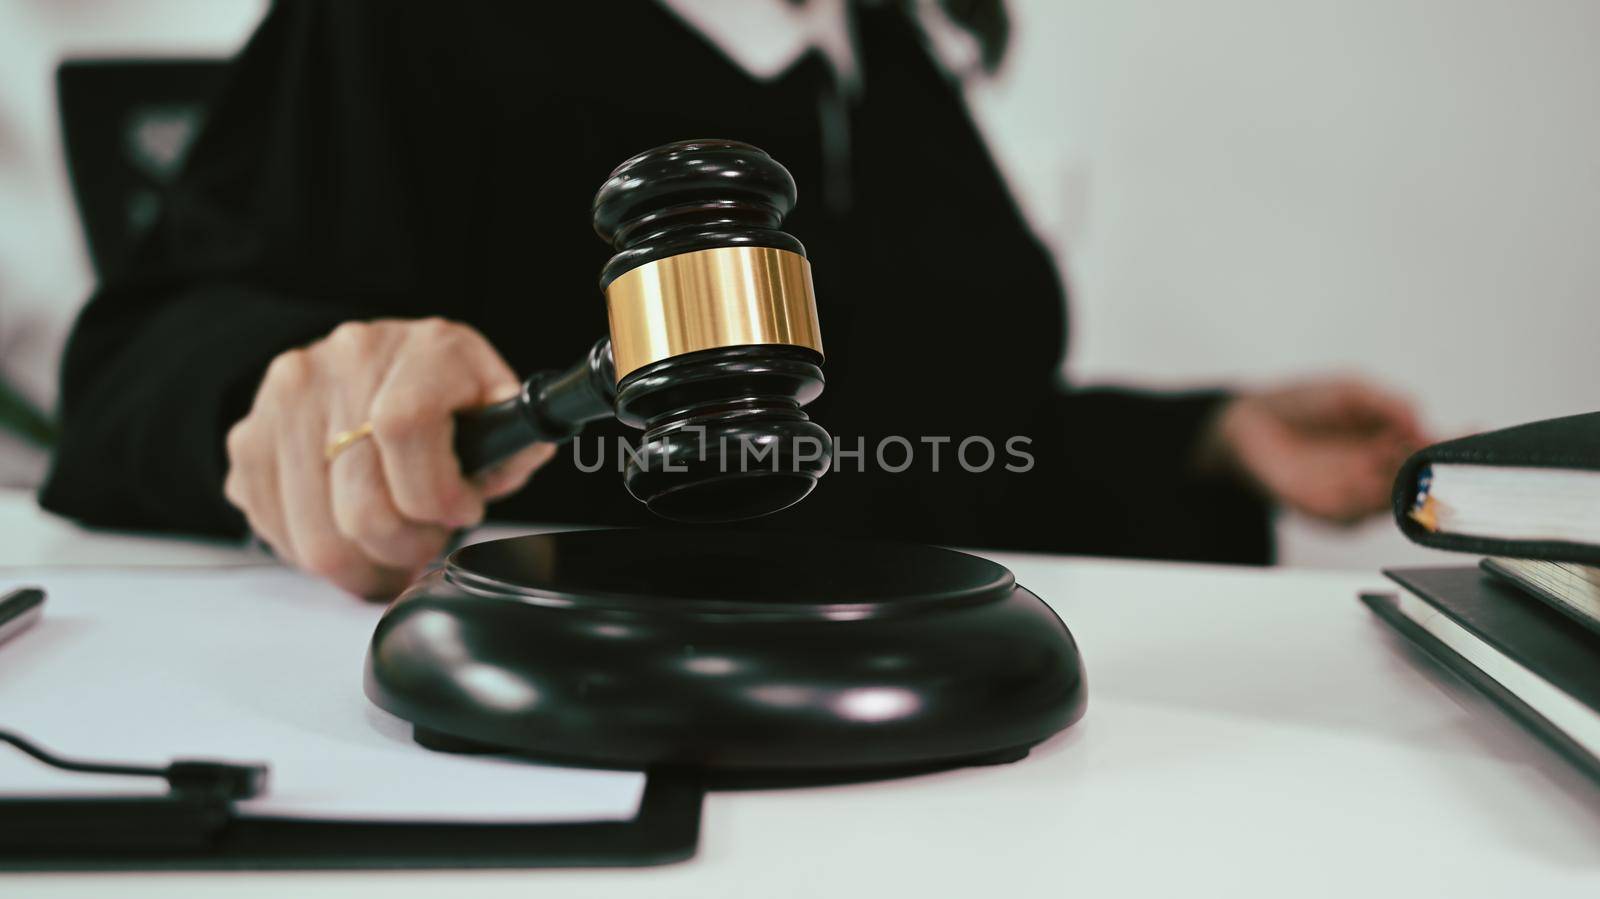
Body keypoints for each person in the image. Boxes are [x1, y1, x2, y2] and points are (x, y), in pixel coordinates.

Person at [40, 0, 1425, 597]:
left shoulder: (888, 60)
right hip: (601, 742)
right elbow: (144, 359)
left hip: (934, 766)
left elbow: (925, 435)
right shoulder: (416, 19)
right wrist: (300, 387)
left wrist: (1211, 435)